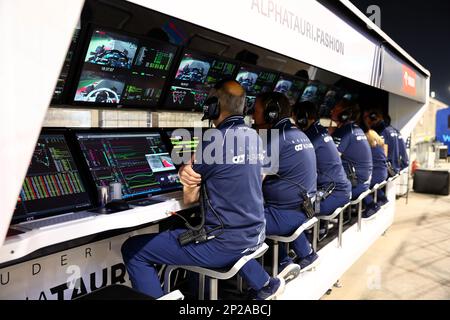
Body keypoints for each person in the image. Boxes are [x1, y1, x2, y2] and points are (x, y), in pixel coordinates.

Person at [121, 80, 285, 300]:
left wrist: (184, 174)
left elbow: (189, 199)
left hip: (222, 245)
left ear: (213, 106)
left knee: (134, 249)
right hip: (254, 235)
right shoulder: (255, 137)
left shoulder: (214, 141)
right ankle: (263, 283)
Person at [242, 92, 318, 283]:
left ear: (271, 114)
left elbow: (251, 185)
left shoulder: (273, 140)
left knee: (235, 221)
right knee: (262, 206)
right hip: (305, 208)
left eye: (256, 111)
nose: (252, 115)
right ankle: (298, 255)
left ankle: (273, 272)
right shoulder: (298, 133)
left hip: (286, 215)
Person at [292, 101, 351, 222]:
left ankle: (307, 239)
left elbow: (296, 166)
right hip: (339, 190)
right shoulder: (319, 131)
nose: (294, 123)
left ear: (303, 118)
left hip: (334, 193)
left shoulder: (310, 137)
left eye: (295, 119)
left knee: (292, 212)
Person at [330, 100, 373, 202]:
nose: (332, 111)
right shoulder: (355, 128)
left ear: (344, 114)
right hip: (363, 182)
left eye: (336, 109)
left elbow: (330, 158)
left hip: (355, 185)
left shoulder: (344, 131)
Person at [363, 108, 401, 174]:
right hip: (393, 169)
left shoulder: (382, 130)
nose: (364, 120)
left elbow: (384, 154)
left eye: (366, 117)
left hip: (387, 171)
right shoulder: (390, 129)